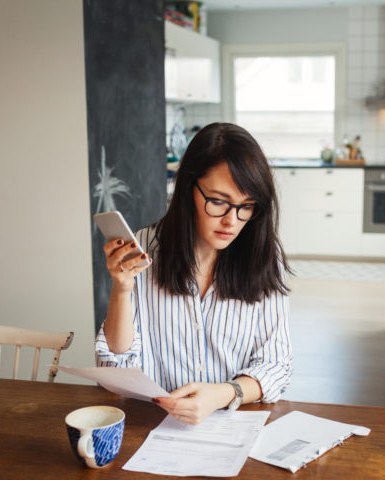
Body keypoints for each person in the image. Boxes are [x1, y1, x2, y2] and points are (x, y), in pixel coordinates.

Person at [95, 122, 292, 425]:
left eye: (246, 206)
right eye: (218, 201)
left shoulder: (263, 255)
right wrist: (121, 289)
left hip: (234, 423)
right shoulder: (144, 249)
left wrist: (223, 394)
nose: (232, 221)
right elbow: (114, 370)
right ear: (189, 189)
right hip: (156, 424)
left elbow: (276, 365)